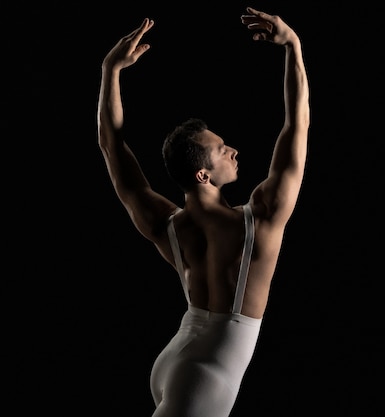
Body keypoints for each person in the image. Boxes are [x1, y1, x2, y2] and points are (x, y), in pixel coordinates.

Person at [97, 6, 310, 417]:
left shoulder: (166, 225)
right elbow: (296, 127)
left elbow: (112, 146)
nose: (232, 151)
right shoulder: (261, 218)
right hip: (206, 377)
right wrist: (293, 49)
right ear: (202, 173)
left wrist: (110, 70)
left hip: (178, 357)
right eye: (220, 149)